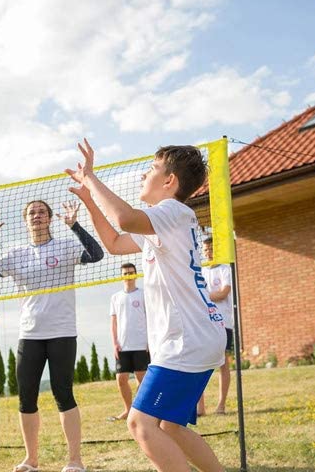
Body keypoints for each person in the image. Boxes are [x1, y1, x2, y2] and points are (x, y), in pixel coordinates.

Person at [66, 142, 227, 472]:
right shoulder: (164, 221)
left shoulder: (172, 212)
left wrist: (92, 179)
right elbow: (113, 243)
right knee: (169, 426)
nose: (143, 174)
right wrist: (89, 200)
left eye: (151, 169)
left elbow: (124, 218)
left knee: (140, 424)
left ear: (169, 181)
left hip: (187, 342)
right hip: (200, 336)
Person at [0, 199, 104, 472]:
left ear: (50, 219)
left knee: (63, 394)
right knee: (26, 397)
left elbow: (96, 255)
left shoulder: (66, 247)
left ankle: (74, 461)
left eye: (42, 212)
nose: (37, 216)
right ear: (25, 221)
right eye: (32, 213)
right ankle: (31, 460)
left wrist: (75, 226)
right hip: (30, 333)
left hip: (62, 331)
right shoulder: (17, 254)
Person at [197, 236, 234, 417]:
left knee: (223, 364)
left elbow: (223, 293)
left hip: (223, 322)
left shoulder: (225, 269)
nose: (208, 252)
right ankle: (200, 408)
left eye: (210, 249)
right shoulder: (200, 271)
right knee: (199, 365)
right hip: (204, 323)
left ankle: (221, 405)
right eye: (205, 250)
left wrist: (203, 296)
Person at [110, 261, 150, 420]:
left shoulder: (143, 294)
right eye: (125, 273)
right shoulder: (115, 297)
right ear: (121, 276)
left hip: (141, 344)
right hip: (122, 345)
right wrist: (114, 343)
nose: (128, 276)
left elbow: (151, 318)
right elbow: (113, 323)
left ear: (136, 274)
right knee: (121, 379)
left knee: (143, 379)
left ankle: (142, 410)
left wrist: (150, 341)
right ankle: (128, 409)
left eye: (131, 272)